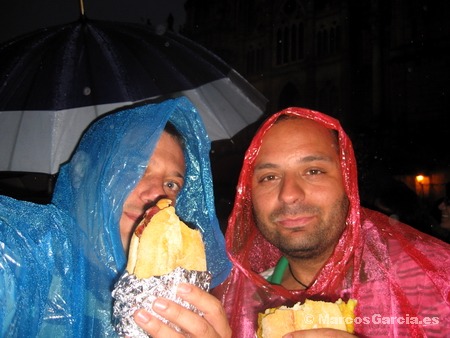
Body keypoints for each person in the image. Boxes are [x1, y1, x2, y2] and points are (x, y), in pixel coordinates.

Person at [0, 97, 231, 337]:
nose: (158, 194)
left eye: (171, 183)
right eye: (135, 169)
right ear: (81, 172)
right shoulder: (25, 249)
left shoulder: (167, 292)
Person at [211, 107, 450, 337]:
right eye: (269, 177)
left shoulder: (432, 285)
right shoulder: (231, 305)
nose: (288, 194)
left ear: (348, 182)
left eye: (313, 171)